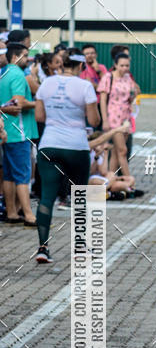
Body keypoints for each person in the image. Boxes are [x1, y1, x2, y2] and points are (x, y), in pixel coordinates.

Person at [34, 48, 100, 263]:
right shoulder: (85, 86)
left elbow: (40, 116)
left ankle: (43, 247)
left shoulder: (46, 84)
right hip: (76, 145)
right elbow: (94, 120)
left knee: (47, 196)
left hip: (49, 144)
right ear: (81, 66)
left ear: (62, 63)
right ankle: (80, 246)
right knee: (79, 195)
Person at [0, 42, 38, 226]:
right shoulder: (17, 75)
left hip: (6, 131)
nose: (28, 58)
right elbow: (17, 104)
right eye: (25, 55)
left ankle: (12, 212)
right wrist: (37, 103)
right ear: (15, 56)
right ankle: (29, 215)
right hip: (18, 131)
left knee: (8, 174)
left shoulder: (4, 73)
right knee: (23, 175)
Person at [97, 51, 137, 176]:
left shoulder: (128, 78)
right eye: (122, 65)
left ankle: (111, 180)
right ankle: (129, 181)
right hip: (113, 117)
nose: (125, 68)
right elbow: (103, 100)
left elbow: (131, 95)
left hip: (126, 117)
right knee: (123, 151)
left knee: (116, 152)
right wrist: (105, 120)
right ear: (115, 65)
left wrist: (133, 94)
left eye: (127, 65)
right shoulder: (108, 77)